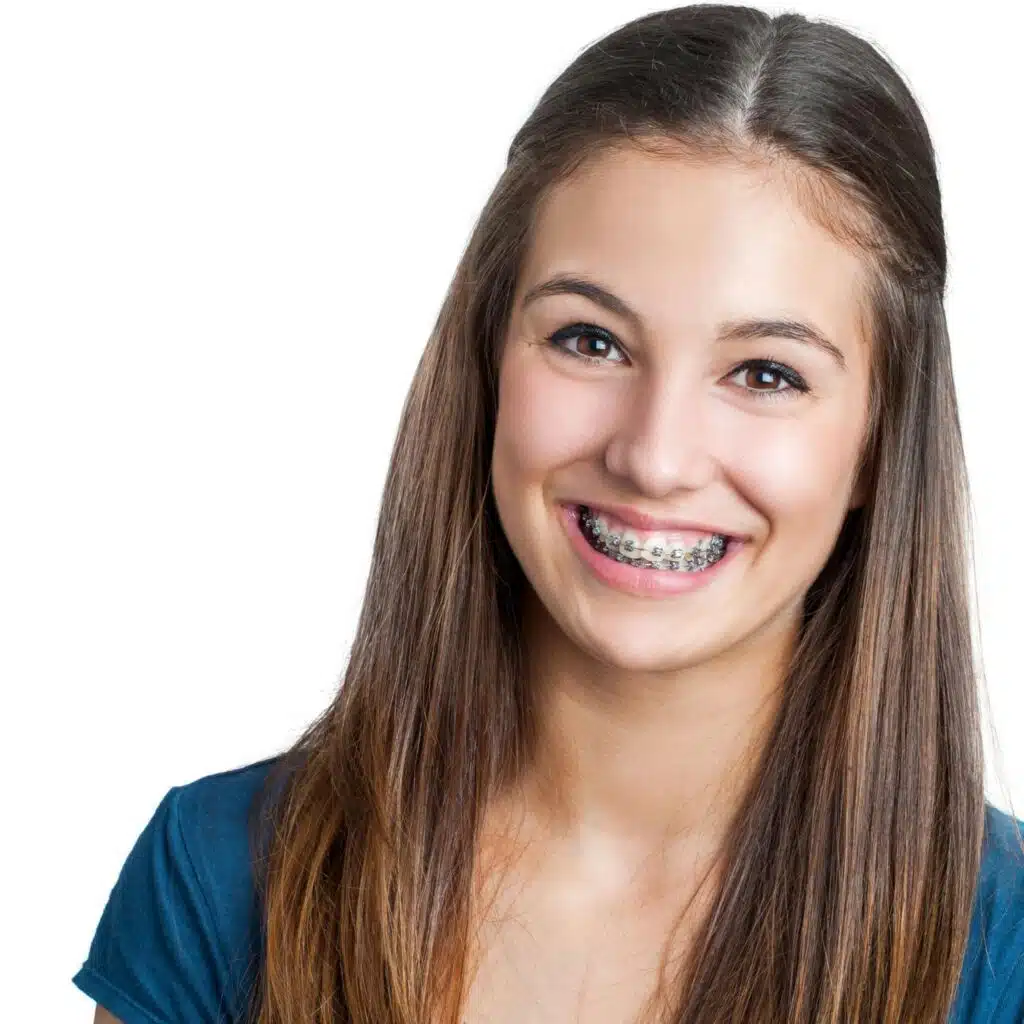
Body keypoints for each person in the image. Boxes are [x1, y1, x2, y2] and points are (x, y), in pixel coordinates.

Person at [73, 4, 1024, 1022]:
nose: (654, 456)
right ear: (488, 360)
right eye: (589, 341)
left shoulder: (1001, 944)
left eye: (763, 371)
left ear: (880, 439)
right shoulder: (220, 879)